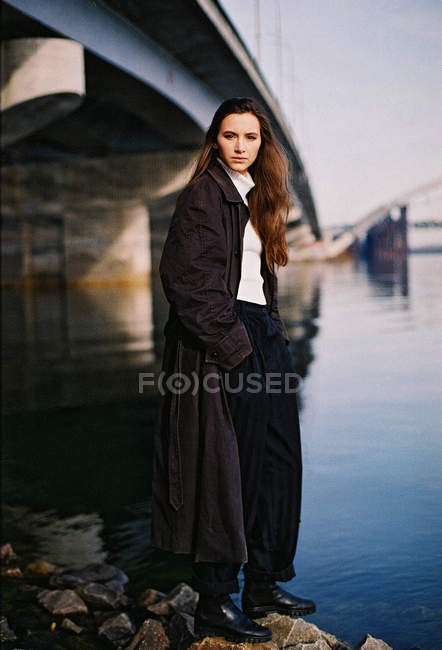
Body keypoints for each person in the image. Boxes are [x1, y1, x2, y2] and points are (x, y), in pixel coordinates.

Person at [151, 97, 316, 643]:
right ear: (215, 140)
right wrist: (235, 348)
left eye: (250, 137)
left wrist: (274, 332)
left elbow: (261, 280)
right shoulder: (204, 195)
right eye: (230, 136)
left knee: (278, 459)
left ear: (262, 144)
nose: (241, 147)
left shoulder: (259, 197)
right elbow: (185, 283)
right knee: (228, 470)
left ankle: (264, 583)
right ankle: (215, 600)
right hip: (225, 341)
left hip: (261, 336)